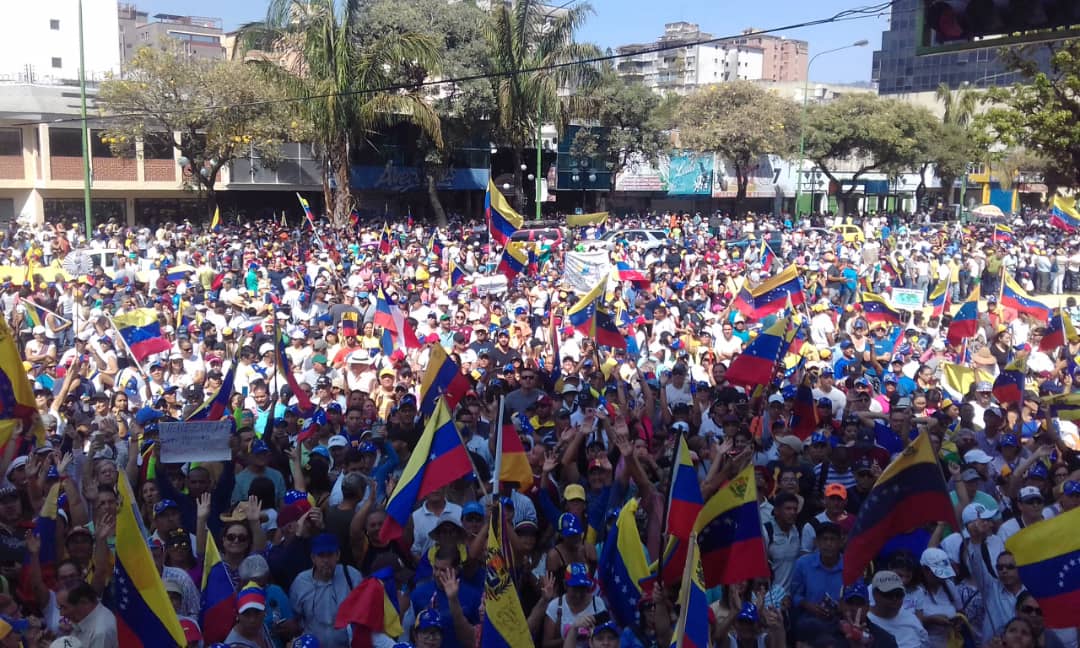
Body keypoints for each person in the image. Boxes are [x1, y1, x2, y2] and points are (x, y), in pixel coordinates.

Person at [289, 533, 363, 647]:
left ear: (338, 555)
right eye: (321, 555)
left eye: (330, 555)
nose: (326, 560)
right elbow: (295, 618)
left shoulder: (352, 576)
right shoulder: (300, 583)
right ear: (313, 558)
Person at [866, 571, 929, 648]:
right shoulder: (865, 621)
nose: (894, 599)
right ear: (875, 594)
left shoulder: (912, 620)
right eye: (888, 594)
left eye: (899, 594)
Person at [58, 583, 117, 648]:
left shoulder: (100, 633)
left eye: (64, 607)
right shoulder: (81, 619)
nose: (61, 614)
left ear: (83, 602)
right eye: (60, 608)